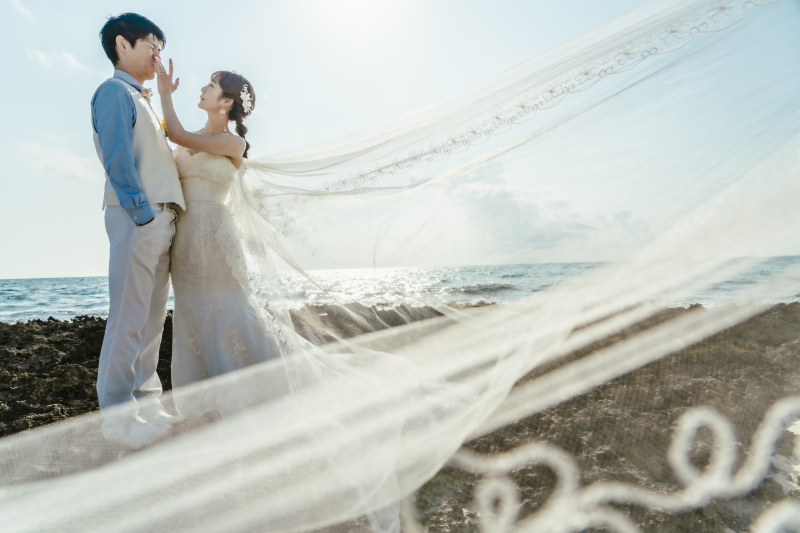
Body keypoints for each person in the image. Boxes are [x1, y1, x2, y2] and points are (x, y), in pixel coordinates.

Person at [153, 60, 285, 401]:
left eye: (210, 86)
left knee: (229, 307)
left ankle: (254, 388)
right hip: (184, 238)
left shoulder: (234, 145)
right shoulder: (191, 138)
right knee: (189, 309)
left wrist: (165, 93)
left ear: (226, 102)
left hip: (216, 236)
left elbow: (176, 133)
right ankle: (200, 397)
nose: (201, 89)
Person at [91, 13, 185, 446]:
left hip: (160, 221)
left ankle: (147, 406)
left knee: (151, 323)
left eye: (160, 49)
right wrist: (143, 214)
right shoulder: (113, 91)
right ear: (123, 45)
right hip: (137, 219)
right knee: (128, 320)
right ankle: (116, 420)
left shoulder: (143, 97)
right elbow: (116, 158)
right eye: (153, 46)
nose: (157, 56)